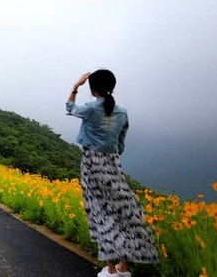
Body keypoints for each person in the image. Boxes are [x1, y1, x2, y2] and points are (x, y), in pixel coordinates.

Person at [66, 69, 158, 277]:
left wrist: (75, 87)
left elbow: (70, 108)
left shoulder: (90, 108)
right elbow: (121, 143)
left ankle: (110, 270)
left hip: (92, 164)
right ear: (111, 87)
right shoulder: (122, 112)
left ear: (92, 88)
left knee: (101, 214)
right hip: (113, 164)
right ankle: (124, 267)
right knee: (125, 211)